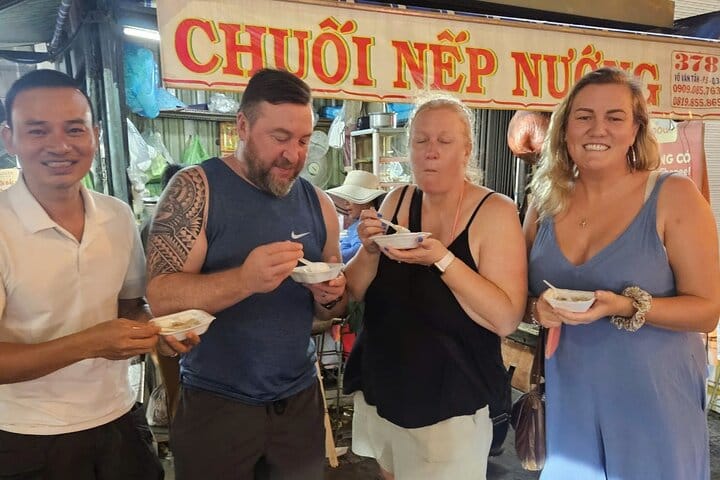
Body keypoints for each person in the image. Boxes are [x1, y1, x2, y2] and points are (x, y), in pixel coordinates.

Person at [145, 68, 347, 480]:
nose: (293, 155)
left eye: (303, 141)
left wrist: (331, 295)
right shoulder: (196, 189)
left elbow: (331, 312)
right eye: (279, 138)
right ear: (242, 126)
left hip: (299, 402)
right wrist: (244, 280)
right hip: (217, 404)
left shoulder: (319, 203)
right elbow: (161, 296)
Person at [524, 67, 720, 479]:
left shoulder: (674, 195)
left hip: (654, 405)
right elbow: (521, 297)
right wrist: (536, 309)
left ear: (635, 130)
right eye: (584, 116)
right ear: (565, 129)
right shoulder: (544, 200)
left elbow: (707, 311)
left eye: (614, 117)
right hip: (569, 403)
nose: (598, 129)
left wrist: (627, 306)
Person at [343, 93, 527, 480]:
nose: (431, 152)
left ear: (467, 150)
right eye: (421, 140)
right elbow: (354, 289)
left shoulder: (495, 211)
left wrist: (443, 260)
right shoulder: (397, 200)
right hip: (384, 386)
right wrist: (369, 250)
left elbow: (506, 318)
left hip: (452, 404)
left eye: (444, 141)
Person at [0, 69, 170, 479]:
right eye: (37, 131)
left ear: (95, 135)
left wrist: (158, 329)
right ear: (9, 139)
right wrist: (90, 343)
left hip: (119, 419)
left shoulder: (117, 215)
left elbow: (129, 307)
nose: (60, 145)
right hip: (26, 435)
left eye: (74, 129)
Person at [326, 169, 386, 263]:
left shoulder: (371, 226)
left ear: (368, 201)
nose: (346, 203)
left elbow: (353, 253)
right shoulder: (356, 225)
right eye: (345, 198)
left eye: (351, 197)